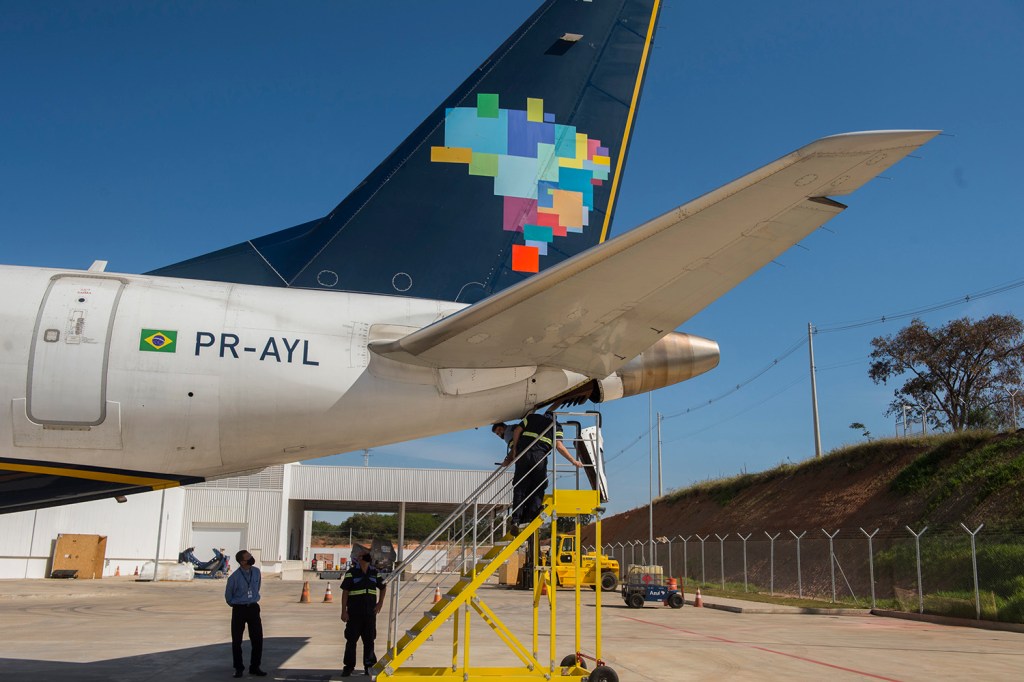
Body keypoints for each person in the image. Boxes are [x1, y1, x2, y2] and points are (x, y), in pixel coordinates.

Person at [502, 411, 582, 525]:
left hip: (523, 454)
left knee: (520, 487)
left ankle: (516, 520)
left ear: (544, 415)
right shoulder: (556, 425)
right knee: (538, 487)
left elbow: (516, 431)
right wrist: (573, 461)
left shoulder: (532, 417)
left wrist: (514, 448)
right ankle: (529, 518)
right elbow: (559, 446)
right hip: (539, 457)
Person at [340, 552, 386, 677]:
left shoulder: (374, 573)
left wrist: (380, 603)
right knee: (351, 640)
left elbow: (383, 587)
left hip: (370, 613)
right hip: (354, 613)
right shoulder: (351, 573)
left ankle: (369, 666)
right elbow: (345, 592)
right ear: (359, 559)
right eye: (363, 556)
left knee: (369, 640)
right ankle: (349, 667)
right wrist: (343, 611)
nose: (365, 558)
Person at [224, 549, 267, 677]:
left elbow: (257, 587)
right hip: (239, 609)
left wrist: (251, 599)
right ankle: (238, 668)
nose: (251, 558)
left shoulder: (256, 572)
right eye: (248, 557)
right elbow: (228, 596)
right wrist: (237, 604)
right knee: (237, 640)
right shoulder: (234, 577)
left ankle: (255, 667)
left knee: (257, 639)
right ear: (242, 562)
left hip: (253, 608)